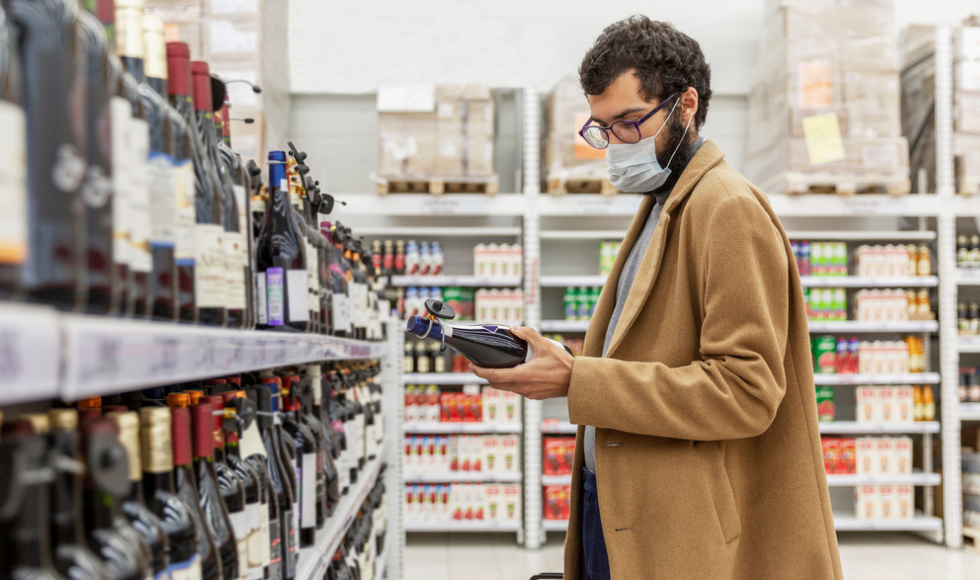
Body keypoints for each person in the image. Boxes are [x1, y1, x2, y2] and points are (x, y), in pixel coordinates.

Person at [472, 15, 843, 580]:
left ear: (685, 105)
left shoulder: (727, 209)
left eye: (627, 123)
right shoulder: (662, 202)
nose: (613, 146)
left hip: (677, 524)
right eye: (600, 128)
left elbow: (745, 390)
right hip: (618, 502)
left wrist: (577, 380)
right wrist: (557, 360)